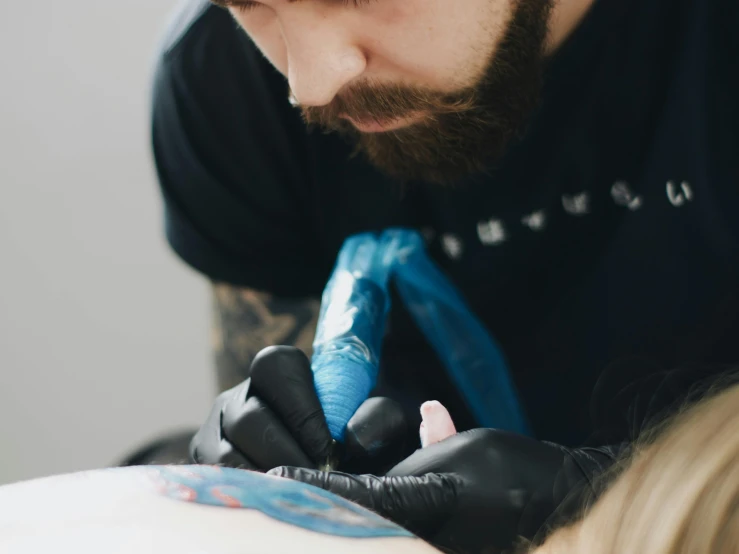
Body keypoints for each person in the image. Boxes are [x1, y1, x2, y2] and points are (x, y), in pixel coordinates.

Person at [151, 0, 739, 550]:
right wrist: (252, 457)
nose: (308, 84)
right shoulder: (221, 79)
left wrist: (612, 492)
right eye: (247, 5)